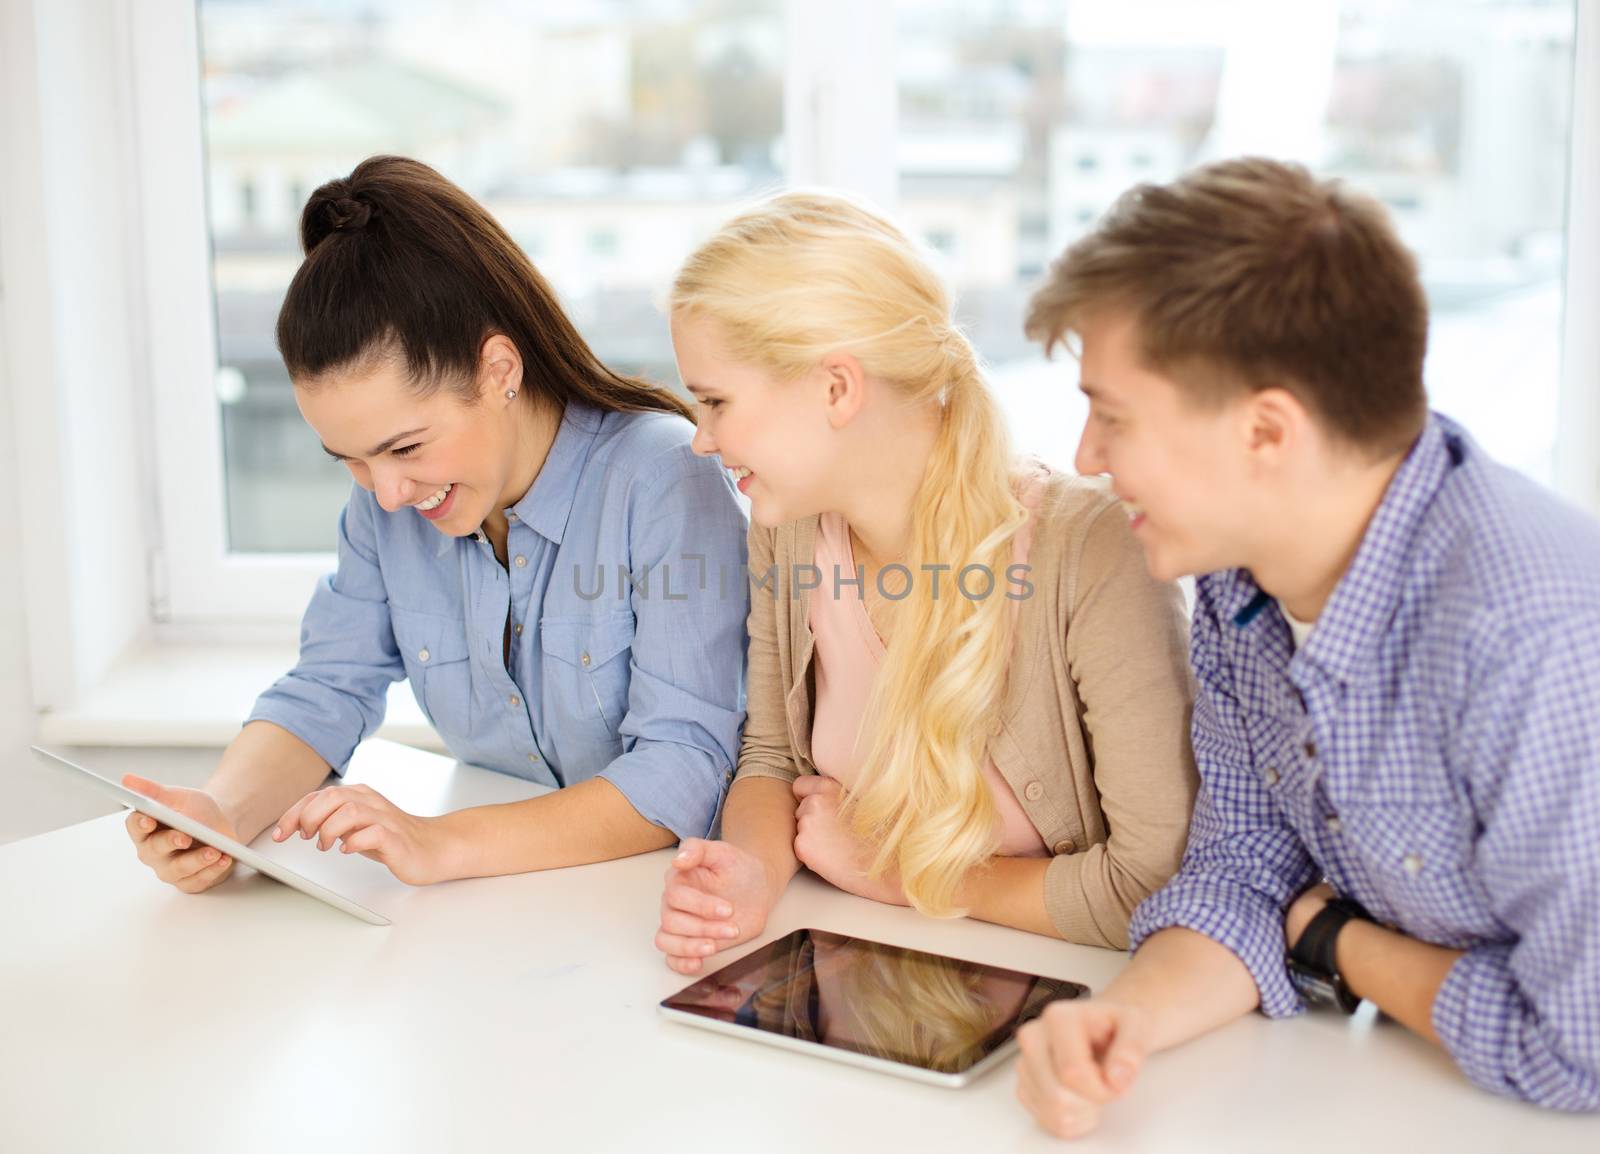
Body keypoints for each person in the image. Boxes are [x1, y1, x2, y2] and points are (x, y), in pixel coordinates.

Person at [1014, 157, 1600, 1137]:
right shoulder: (1240, 579)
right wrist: (1123, 1017)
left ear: (1266, 431)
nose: (1085, 456)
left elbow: (1579, 1045)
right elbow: (1243, 869)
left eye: (1112, 415)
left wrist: (1334, 938)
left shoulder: (1534, 638)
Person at [122, 155, 747, 891]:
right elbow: (327, 686)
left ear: (498, 370)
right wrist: (223, 813)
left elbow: (683, 766)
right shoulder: (395, 501)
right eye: (349, 459)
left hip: (647, 907)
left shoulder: (663, 478)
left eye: (405, 447)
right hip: (489, 912)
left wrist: (439, 843)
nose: (386, 493)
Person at [653, 191, 1197, 974]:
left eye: (715, 401)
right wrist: (751, 875)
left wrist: (902, 873)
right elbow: (771, 758)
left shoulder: (1091, 551)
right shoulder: (787, 525)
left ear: (836, 388)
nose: (701, 440)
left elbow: (1154, 884)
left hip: (1053, 1008)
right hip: (860, 978)